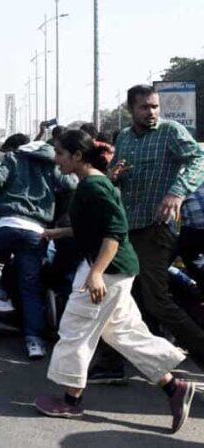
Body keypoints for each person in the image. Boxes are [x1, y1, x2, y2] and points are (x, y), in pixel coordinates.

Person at [34, 129, 196, 434]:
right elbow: (95, 228)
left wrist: (96, 274)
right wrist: (61, 233)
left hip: (107, 272)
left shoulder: (94, 186)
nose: (56, 160)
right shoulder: (92, 183)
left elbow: (116, 233)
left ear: (77, 156)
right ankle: (174, 388)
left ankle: (71, 401)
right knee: (121, 333)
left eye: (60, 154)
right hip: (114, 270)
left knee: (75, 330)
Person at [90, 84, 204, 382]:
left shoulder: (171, 132)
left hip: (156, 230)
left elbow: (198, 160)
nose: (151, 112)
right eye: (145, 107)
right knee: (118, 297)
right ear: (132, 109)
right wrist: (116, 176)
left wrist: (177, 193)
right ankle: (112, 364)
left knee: (157, 301)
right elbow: (115, 173)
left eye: (154, 106)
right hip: (127, 229)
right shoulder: (125, 138)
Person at [0, 135, 77, 359]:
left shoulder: (13, 158)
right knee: (30, 289)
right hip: (37, 232)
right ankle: (34, 342)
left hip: (7, 225)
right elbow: (72, 184)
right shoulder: (52, 164)